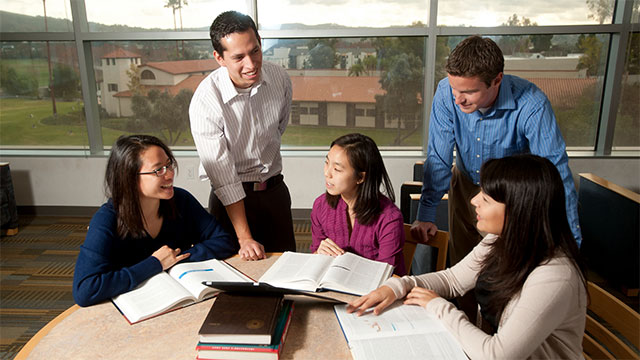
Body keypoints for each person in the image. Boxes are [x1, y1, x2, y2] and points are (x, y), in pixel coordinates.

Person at [348, 154, 588, 359]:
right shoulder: (500, 240)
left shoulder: (554, 276)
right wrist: (398, 286)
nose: (474, 201)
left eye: (486, 199)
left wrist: (438, 306)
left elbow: (495, 355)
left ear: (519, 210)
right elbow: (453, 279)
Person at [412, 35, 582, 268]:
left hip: (509, 195)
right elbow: (439, 157)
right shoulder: (445, 93)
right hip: (464, 183)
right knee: (462, 265)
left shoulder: (532, 104)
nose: (458, 100)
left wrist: (571, 244)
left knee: (505, 270)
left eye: (469, 92)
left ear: (496, 80)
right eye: (455, 89)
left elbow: (556, 174)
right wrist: (426, 214)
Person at [72, 135, 237, 307]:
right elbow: (85, 290)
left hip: (179, 299)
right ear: (129, 177)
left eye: (169, 165)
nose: (170, 174)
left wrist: (175, 260)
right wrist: (155, 264)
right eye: (159, 170)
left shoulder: (181, 199)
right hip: (134, 307)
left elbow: (224, 241)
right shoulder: (106, 219)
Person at [189, 11, 296, 261]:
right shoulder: (206, 100)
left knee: (286, 272)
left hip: (275, 192)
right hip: (231, 202)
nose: (251, 64)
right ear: (219, 58)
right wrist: (244, 237)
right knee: (235, 281)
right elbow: (223, 177)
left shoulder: (279, 78)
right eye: (238, 57)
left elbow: (279, 127)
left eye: (255, 51)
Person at [311, 133, 406, 275]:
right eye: (327, 163)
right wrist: (318, 253)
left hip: (378, 293)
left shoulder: (389, 218)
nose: (327, 173)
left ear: (360, 177)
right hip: (332, 288)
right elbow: (315, 261)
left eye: (337, 169)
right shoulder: (321, 206)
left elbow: (385, 276)